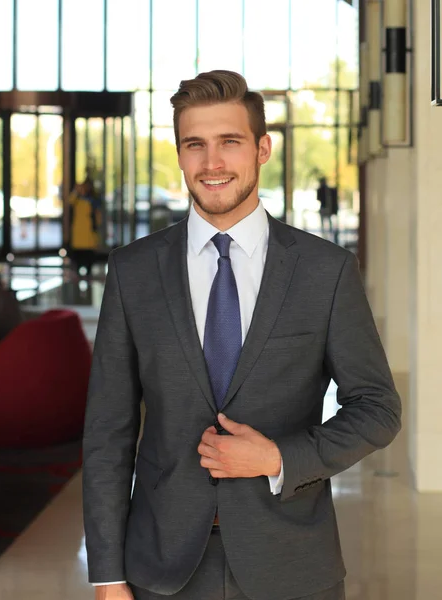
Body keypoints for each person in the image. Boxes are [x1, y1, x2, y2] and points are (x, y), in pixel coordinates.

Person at [83, 71, 401, 600]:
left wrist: (279, 457)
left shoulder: (326, 270)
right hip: (160, 568)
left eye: (230, 142)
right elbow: (107, 433)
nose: (212, 163)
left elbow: (377, 408)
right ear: (180, 154)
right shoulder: (133, 271)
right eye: (195, 145)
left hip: (292, 563)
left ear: (262, 149)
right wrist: (108, 575)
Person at [69, 174, 102, 277]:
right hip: (78, 233)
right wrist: (76, 191)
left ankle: (87, 273)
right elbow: (69, 201)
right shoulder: (76, 199)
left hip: (88, 234)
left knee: (88, 257)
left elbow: (98, 217)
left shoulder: (93, 200)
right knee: (79, 257)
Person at [316, 176, 338, 243]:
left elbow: (318, 199)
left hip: (324, 208)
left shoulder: (323, 190)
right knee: (327, 222)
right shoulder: (328, 189)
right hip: (326, 208)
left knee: (325, 223)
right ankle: (327, 235)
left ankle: (326, 235)